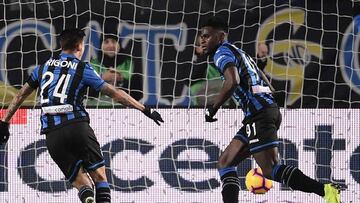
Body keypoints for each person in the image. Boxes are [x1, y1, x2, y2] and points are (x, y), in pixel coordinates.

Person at [0, 28, 163, 203]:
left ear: (61, 46)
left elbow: (20, 96)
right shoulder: (82, 68)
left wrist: (4, 122)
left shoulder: (42, 68)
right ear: (79, 46)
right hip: (77, 127)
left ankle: (87, 197)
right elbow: (115, 93)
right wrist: (145, 109)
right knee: (100, 178)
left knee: (81, 183)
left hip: (52, 134)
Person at [199, 17, 340, 203]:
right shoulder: (238, 51)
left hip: (260, 115)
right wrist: (270, 97)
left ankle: (325, 191)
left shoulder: (221, 53)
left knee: (270, 169)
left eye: (207, 36)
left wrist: (213, 109)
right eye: (201, 36)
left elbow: (232, 81)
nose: (202, 40)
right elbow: (261, 77)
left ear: (221, 36)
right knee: (225, 162)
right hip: (261, 112)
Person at [88, 33, 134, 106]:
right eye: (106, 42)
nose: (111, 45)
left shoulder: (128, 63)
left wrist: (121, 79)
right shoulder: (94, 63)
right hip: (96, 107)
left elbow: (137, 91)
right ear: (101, 45)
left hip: (124, 107)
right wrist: (103, 78)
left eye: (114, 41)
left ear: (119, 44)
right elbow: (87, 92)